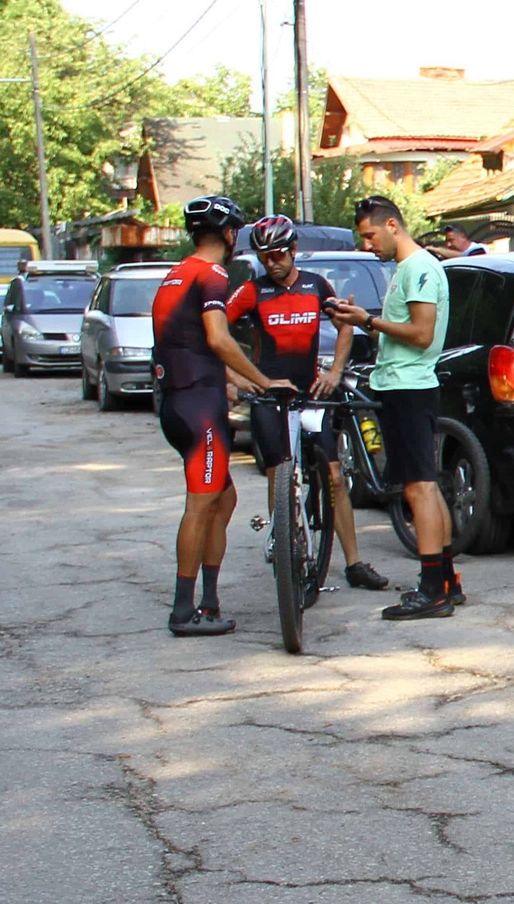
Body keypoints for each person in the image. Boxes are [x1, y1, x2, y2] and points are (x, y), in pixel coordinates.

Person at [155, 195, 295, 636]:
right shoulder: (213, 274)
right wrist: (263, 378)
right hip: (200, 406)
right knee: (200, 504)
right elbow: (217, 338)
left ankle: (211, 600)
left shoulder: (176, 273)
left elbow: (188, 341)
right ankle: (184, 611)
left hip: (177, 401)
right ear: (231, 234)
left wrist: (237, 379)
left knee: (224, 498)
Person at [226, 214, 389, 593]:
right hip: (270, 396)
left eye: (279, 254)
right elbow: (215, 331)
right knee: (278, 473)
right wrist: (237, 378)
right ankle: (282, 544)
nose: (273, 263)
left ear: (293, 250)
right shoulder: (253, 291)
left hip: (310, 395)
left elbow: (346, 322)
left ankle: (353, 562)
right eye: (265, 257)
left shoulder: (316, 285)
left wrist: (334, 371)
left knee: (333, 476)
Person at [330, 195, 457, 620]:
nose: (367, 245)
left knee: (418, 487)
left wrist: (364, 321)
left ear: (391, 226)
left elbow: (421, 334)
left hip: (409, 387)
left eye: (369, 235)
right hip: (407, 385)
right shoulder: (410, 268)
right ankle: (446, 580)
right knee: (426, 485)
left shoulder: (419, 267)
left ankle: (431, 590)